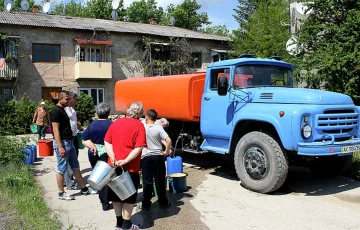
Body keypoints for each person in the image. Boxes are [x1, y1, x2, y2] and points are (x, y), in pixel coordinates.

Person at [104, 102, 146, 230]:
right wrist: (126, 160)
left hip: (113, 165)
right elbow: (139, 147)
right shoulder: (139, 125)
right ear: (140, 113)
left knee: (115, 196)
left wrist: (112, 156)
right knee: (128, 197)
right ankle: (127, 225)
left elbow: (107, 141)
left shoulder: (116, 123)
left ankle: (119, 224)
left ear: (128, 111)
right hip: (130, 167)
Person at [50, 90, 95, 200]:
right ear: (60, 99)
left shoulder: (64, 109)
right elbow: (55, 130)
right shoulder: (56, 111)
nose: (69, 100)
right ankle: (61, 193)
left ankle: (83, 188)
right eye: (67, 99)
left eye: (69, 98)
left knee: (75, 166)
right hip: (63, 143)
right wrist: (60, 147)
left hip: (69, 141)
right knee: (62, 169)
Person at [82, 102, 113, 211]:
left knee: (99, 178)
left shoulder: (92, 125)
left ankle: (104, 202)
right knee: (109, 177)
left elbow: (84, 139)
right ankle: (110, 201)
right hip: (107, 154)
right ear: (108, 113)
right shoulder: (111, 125)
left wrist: (92, 145)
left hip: (93, 153)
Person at [140, 109, 172, 211]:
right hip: (158, 157)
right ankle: (163, 202)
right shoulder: (158, 128)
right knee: (160, 180)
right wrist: (166, 151)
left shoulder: (142, 126)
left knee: (147, 181)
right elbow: (169, 140)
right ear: (155, 118)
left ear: (146, 117)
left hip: (146, 157)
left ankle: (146, 204)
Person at [64, 92, 81, 190]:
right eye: (75, 99)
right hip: (68, 137)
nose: (76, 101)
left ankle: (68, 181)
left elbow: (71, 121)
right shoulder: (65, 109)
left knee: (73, 159)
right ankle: (69, 182)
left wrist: (76, 123)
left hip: (73, 136)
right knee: (69, 160)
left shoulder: (71, 109)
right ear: (71, 99)